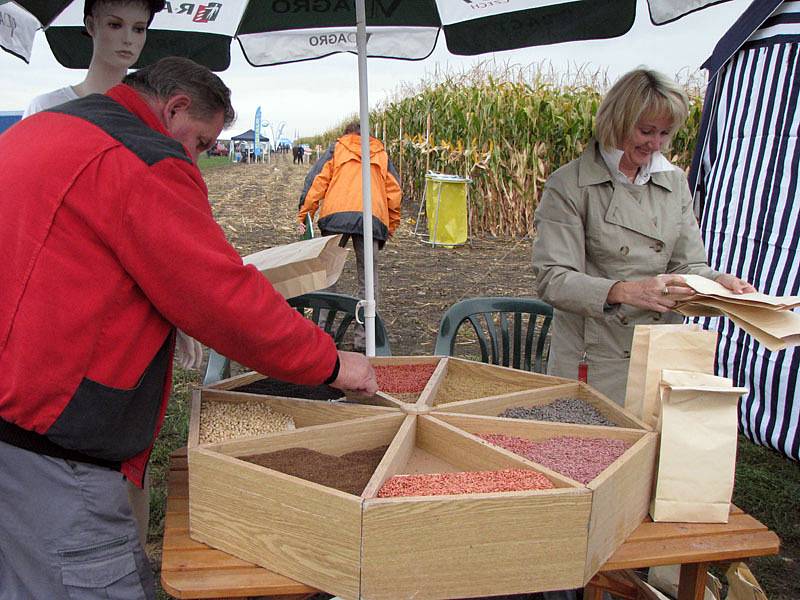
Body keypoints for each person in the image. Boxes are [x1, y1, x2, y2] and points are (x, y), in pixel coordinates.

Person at [0, 57, 377, 600]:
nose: (198, 162)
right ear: (174, 108)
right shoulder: (143, 157)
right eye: (200, 143)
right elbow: (221, 298)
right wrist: (332, 362)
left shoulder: (46, 128)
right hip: (54, 446)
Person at [532, 68, 755, 405]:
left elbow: (688, 264)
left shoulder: (675, 182)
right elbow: (554, 279)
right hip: (595, 355)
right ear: (617, 121)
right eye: (646, 131)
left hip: (660, 348)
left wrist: (718, 284)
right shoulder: (569, 186)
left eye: (665, 133)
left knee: (656, 449)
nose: (655, 144)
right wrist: (626, 291)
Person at [297, 121, 402, 351]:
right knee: (368, 281)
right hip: (372, 218)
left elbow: (317, 181)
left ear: (347, 134)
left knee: (327, 277)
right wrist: (391, 224)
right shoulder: (380, 152)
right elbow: (394, 191)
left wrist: (305, 214)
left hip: (336, 216)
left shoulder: (338, 148)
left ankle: (323, 332)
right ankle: (364, 340)